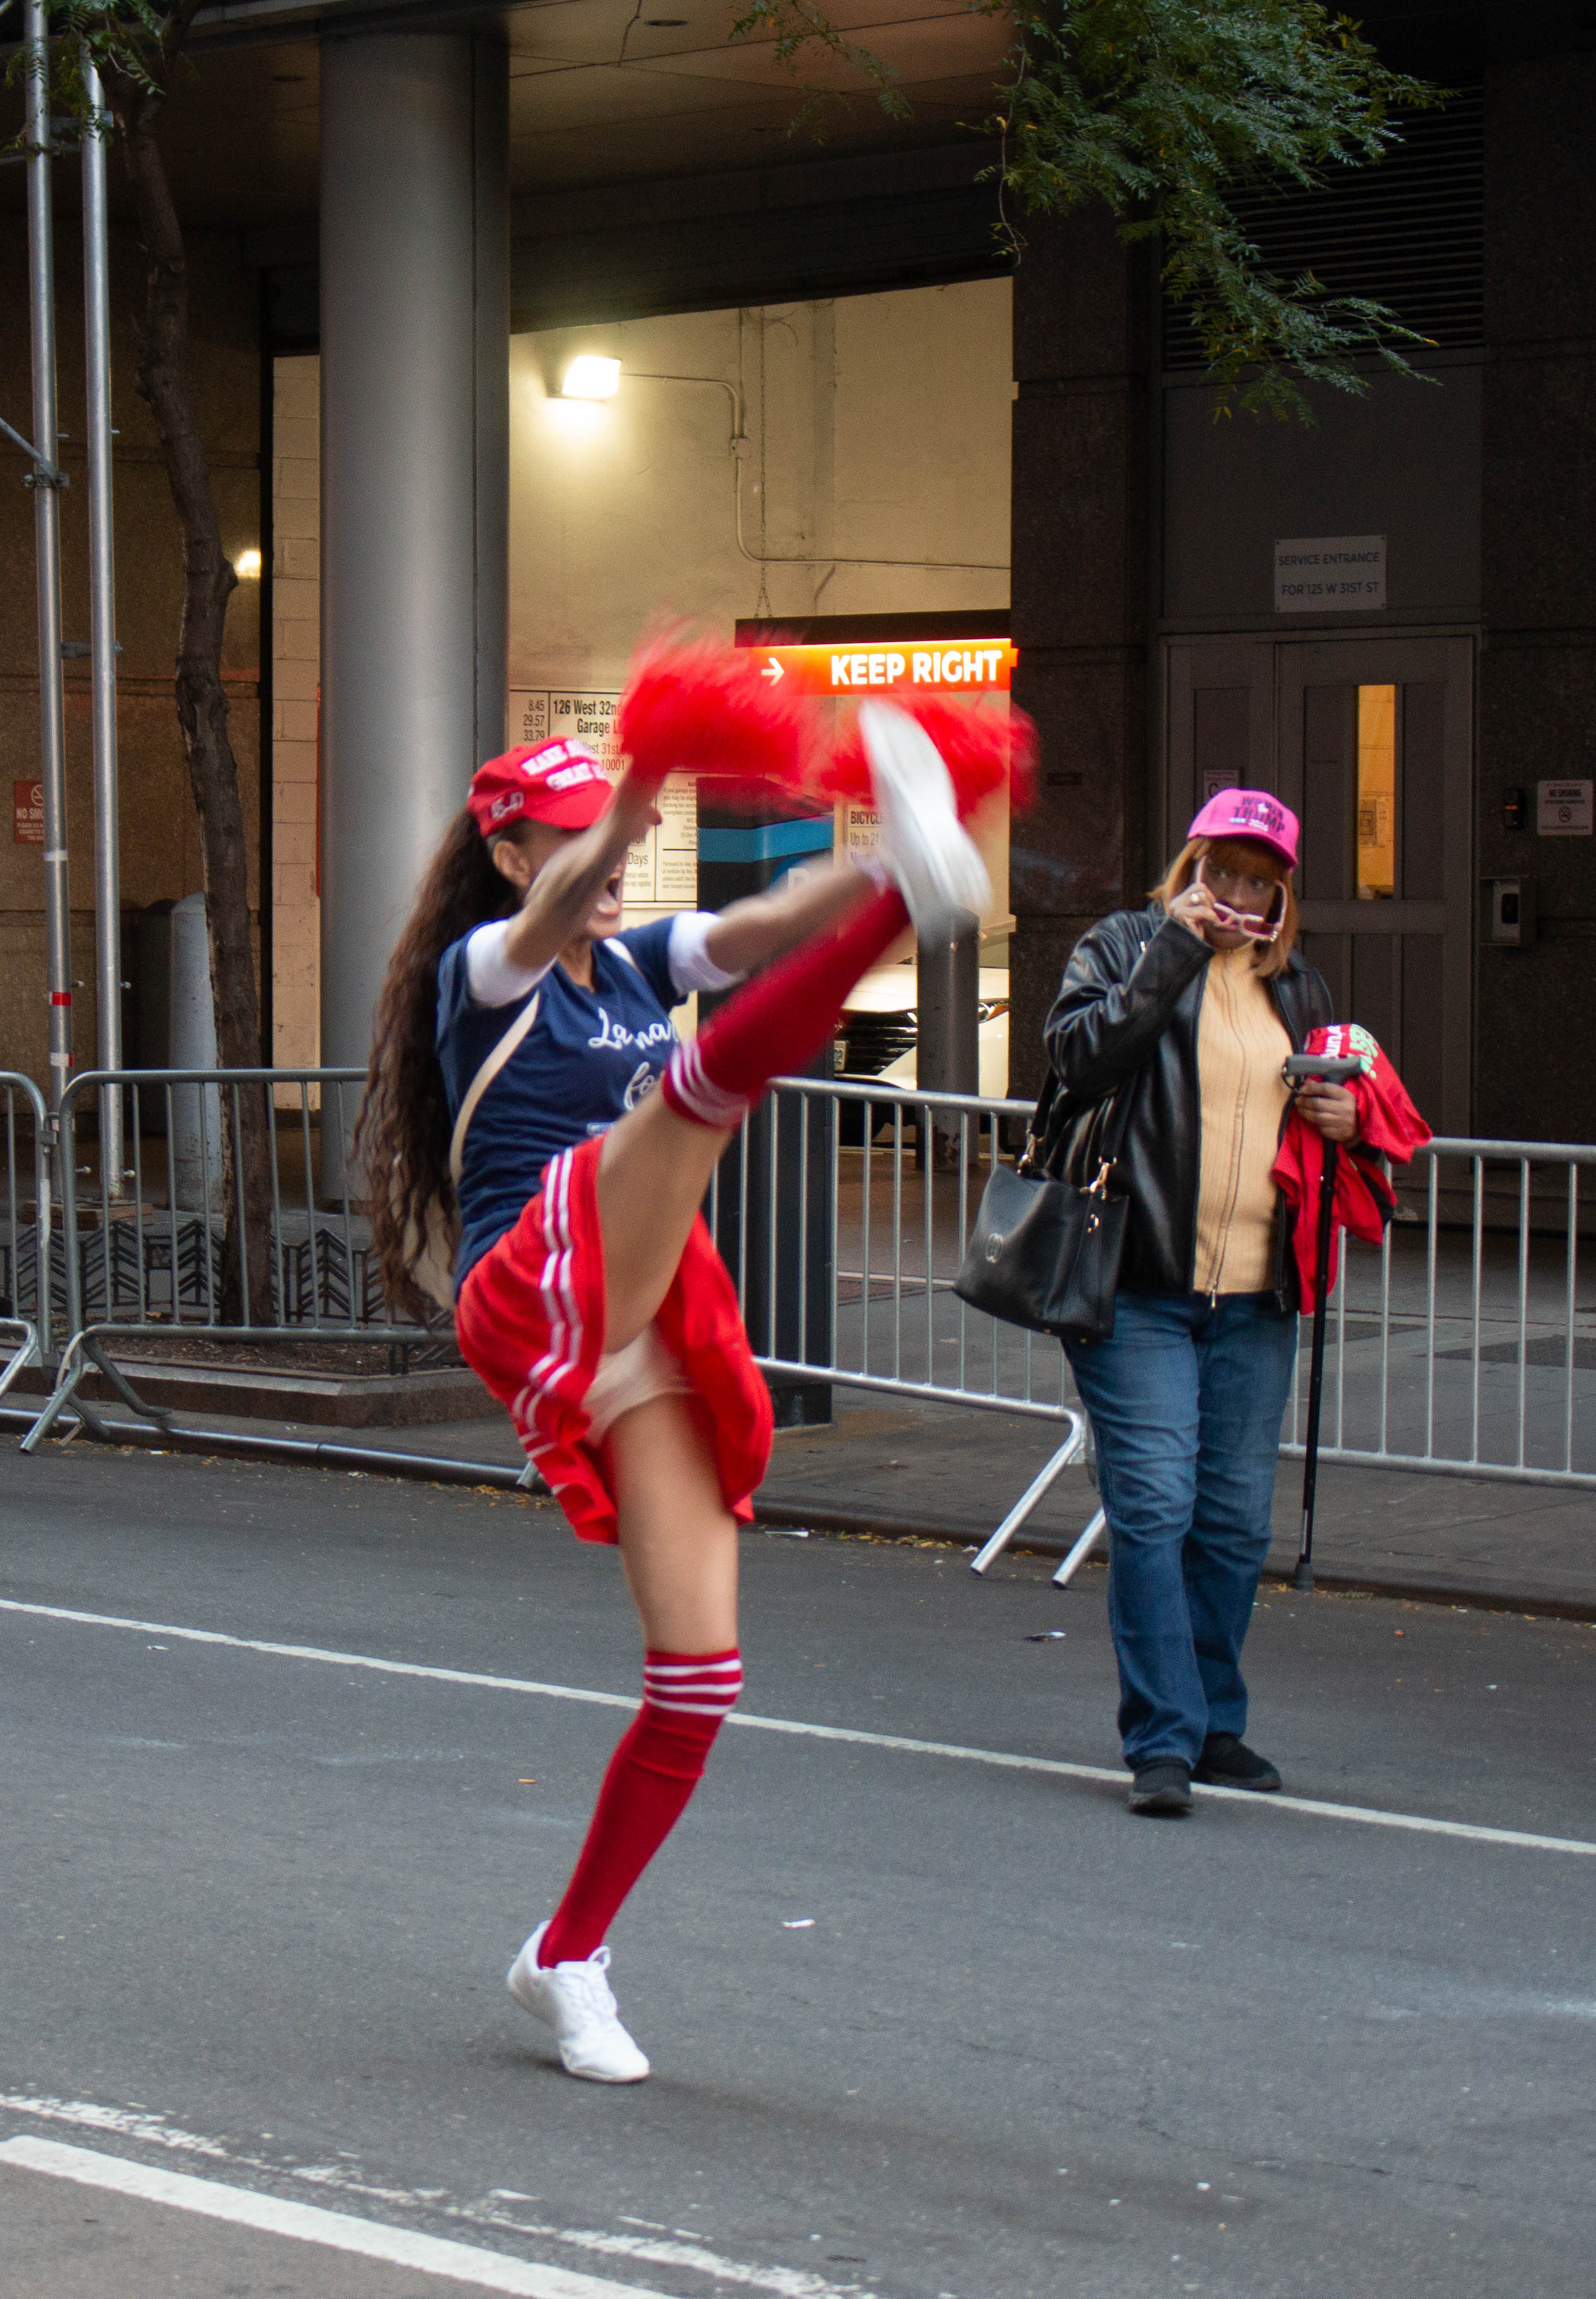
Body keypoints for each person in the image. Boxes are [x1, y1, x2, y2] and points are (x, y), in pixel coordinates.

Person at [356, 705, 992, 2084]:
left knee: (701, 1679)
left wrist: (877, 864)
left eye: (611, 827)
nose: (608, 854)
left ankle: (566, 1952)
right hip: (533, 1280)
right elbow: (562, 910)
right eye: (571, 831)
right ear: (513, 853)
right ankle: (913, 897)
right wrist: (643, 774)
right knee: (689, 1110)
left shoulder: (639, 964)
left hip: (640, 1312)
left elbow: (766, 920)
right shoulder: (486, 969)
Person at [1040, 791, 1362, 1819]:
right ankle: (1163, 1738)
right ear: (1190, 865)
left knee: (1230, 1523)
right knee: (1152, 1505)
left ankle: (1213, 1717)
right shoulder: (1123, 942)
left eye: (1258, 878)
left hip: (1255, 1290)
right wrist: (1169, 957)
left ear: (1281, 893)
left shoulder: (1297, 987)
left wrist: (1342, 1114)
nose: (1237, 894)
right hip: (1135, 1279)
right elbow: (1077, 1057)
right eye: (1221, 870)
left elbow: (1338, 1118)